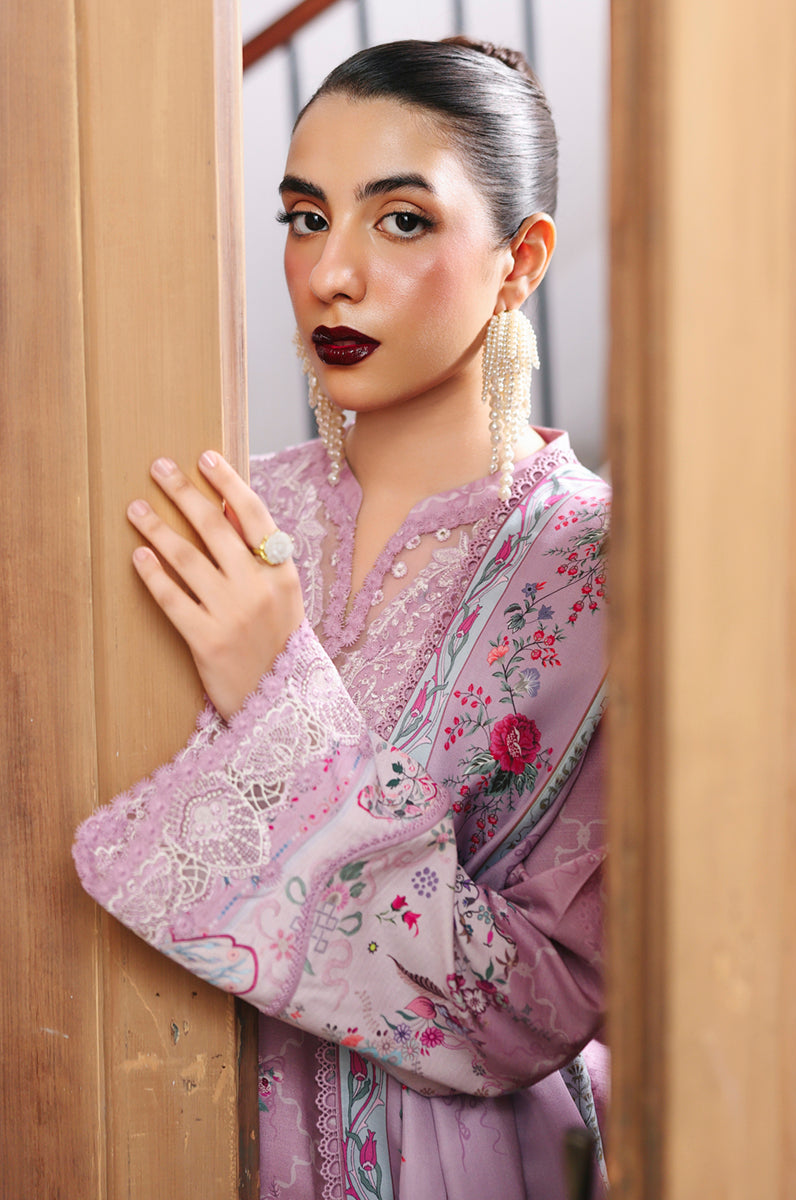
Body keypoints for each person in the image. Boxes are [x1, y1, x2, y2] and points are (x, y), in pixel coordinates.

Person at [73, 38, 610, 1200]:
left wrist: (282, 695)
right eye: (305, 218)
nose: (330, 274)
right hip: (174, 1127)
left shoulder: (597, 568)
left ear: (519, 261)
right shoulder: (224, 517)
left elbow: (541, 1005)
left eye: (400, 220)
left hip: (463, 1166)